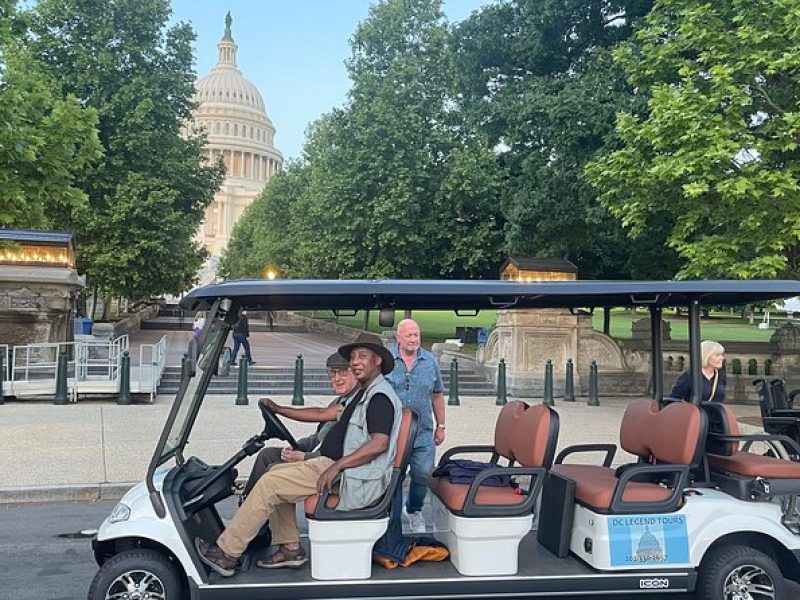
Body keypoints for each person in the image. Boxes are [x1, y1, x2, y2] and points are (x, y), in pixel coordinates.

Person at [195, 333, 402, 576]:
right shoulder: (360, 395)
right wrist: (279, 409)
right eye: (353, 356)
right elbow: (320, 413)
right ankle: (291, 548)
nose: (355, 361)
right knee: (274, 471)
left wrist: (337, 466)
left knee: (270, 483)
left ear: (378, 360)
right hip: (337, 469)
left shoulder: (379, 397)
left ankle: (227, 553)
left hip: (351, 478)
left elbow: (379, 444)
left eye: (362, 356)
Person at [241, 352, 360, 499]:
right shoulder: (338, 402)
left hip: (332, 469)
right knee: (268, 455)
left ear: (355, 374)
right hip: (318, 458)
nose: (336, 378)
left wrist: (304, 456)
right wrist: (298, 446)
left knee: (273, 474)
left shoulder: (356, 405)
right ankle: (251, 504)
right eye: (332, 373)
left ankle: (252, 509)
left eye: (342, 372)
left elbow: (340, 449)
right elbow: (318, 438)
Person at [386, 319, 445, 533]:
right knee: (395, 476)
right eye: (409, 335)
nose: (413, 339)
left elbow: (437, 395)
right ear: (398, 337)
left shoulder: (430, 362)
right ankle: (392, 523)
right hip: (394, 433)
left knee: (422, 474)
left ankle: (413, 509)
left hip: (423, 433)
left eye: (416, 335)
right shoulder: (386, 362)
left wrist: (441, 426)